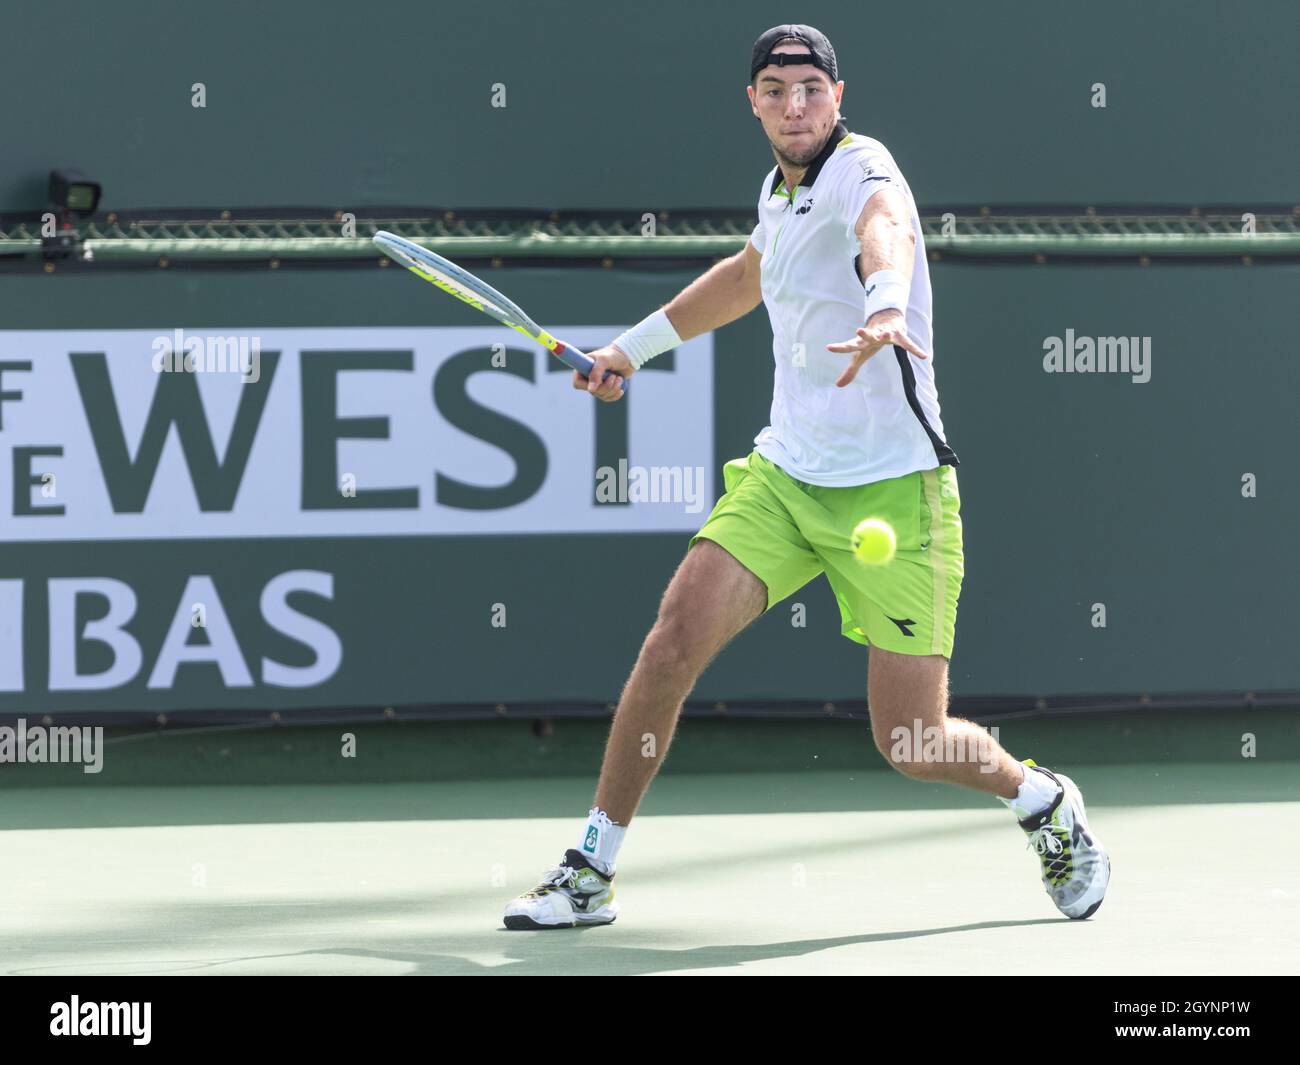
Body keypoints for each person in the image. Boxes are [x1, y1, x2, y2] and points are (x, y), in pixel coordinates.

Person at [503, 23, 1109, 930]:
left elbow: (885, 232)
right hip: (785, 478)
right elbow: (751, 273)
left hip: (898, 491)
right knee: (670, 644)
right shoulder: (779, 194)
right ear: (752, 101)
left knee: (911, 741)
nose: (795, 105)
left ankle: (1042, 801)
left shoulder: (867, 171)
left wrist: (887, 303)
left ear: (838, 97)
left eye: (811, 89)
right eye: (776, 89)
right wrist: (632, 350)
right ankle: (592, 868)